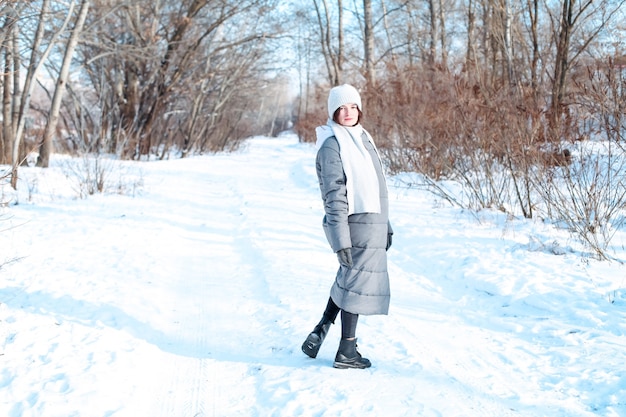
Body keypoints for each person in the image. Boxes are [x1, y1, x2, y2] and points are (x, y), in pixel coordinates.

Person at [302, 84, 393, 369]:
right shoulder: (332, 145)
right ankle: (347, 352)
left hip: (373, 222)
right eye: (342, 108)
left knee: (349, 279)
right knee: (355, 284)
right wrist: (340, 240)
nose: (348, 113)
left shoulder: (363, 138)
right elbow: (334, 195)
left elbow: (377, 186)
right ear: (333, 112)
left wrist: (386, 223)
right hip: (354, 224)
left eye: (353, 106)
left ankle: (322, 328)